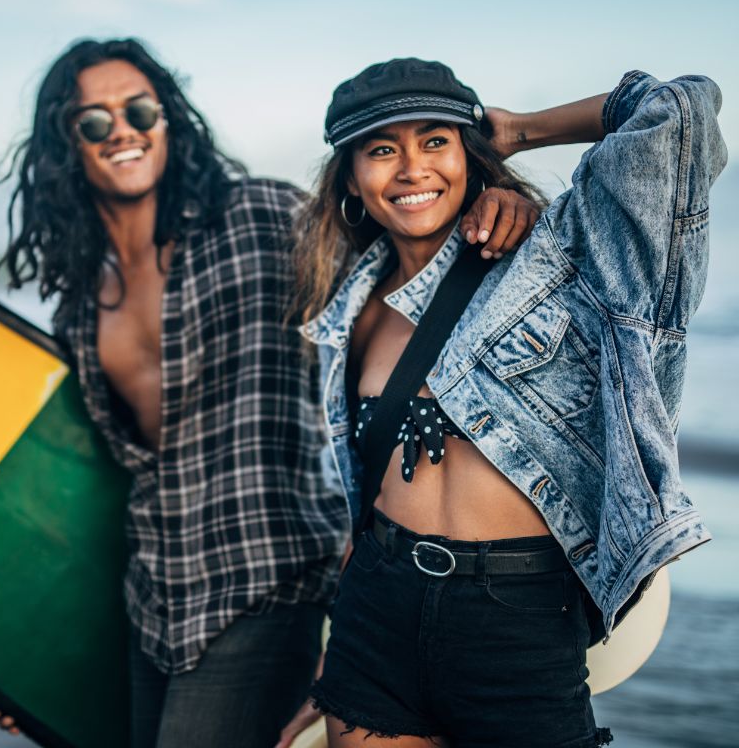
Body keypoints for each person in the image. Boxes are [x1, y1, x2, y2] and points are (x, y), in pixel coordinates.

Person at [0, 40, 538, 747]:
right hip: (152, 595)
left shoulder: (262, 219)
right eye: (93, 121)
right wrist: (22, 658)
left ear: (168, 120)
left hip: (265, 581)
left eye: (140, 109)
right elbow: (92, 482)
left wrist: (496, 204)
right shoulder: (83, 297)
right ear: (69, 144)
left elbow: (408, 248)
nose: (121, 130)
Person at [285, 59, 726, 747]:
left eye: (435, 140)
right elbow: (362, 498)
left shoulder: (558, 259)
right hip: (375, 616)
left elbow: (679, 114)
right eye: (381, 149)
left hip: (516, 622)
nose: (410, 168)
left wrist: (519, 131)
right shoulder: (351, 309)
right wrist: (334, 653)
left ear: (469, 151)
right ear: (350, 179)